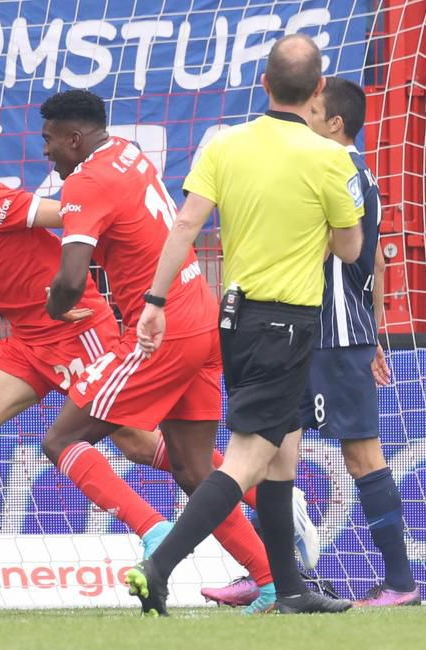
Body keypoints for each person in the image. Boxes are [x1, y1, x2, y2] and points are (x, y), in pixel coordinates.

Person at [0, 135, 277, 609]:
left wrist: (74, 290)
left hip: (76, 329)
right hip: (28, 340)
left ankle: (262, 508)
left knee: (142, 445)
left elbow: (71, 216)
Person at [127, 34, 364, 616]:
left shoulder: (224, 145)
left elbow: (184, 225)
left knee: (283, 453)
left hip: (234, 318)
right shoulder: (331, 158)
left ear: (263, 84)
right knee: (247, 459)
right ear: (316, 93)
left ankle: (287, 589)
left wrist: (154, 300)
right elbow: (352, 249)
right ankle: (159, 566)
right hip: (288, 323)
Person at [37, 89, 283, 613]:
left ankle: (152, 530)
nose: (46, 152)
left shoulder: (85, 182)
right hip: (202, 318)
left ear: (74, 138)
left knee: (61, 440)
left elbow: (72, 278)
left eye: (50, 140)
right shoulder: (127, 152)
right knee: (195, 470)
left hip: (160, 332)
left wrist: (56, 305)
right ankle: (270, 580)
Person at [303, 77, 419, 606]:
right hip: (320, 331)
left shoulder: (339, 169)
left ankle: (400, 583)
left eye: (313, 110)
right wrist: (375, 332)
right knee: (266, 450)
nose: (303, 117)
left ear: (335, 124)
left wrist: (364, 333)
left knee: (362, 455)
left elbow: (349, 250)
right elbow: (373, 260)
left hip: (333, 333)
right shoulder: (354, 171)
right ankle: (272, 575)